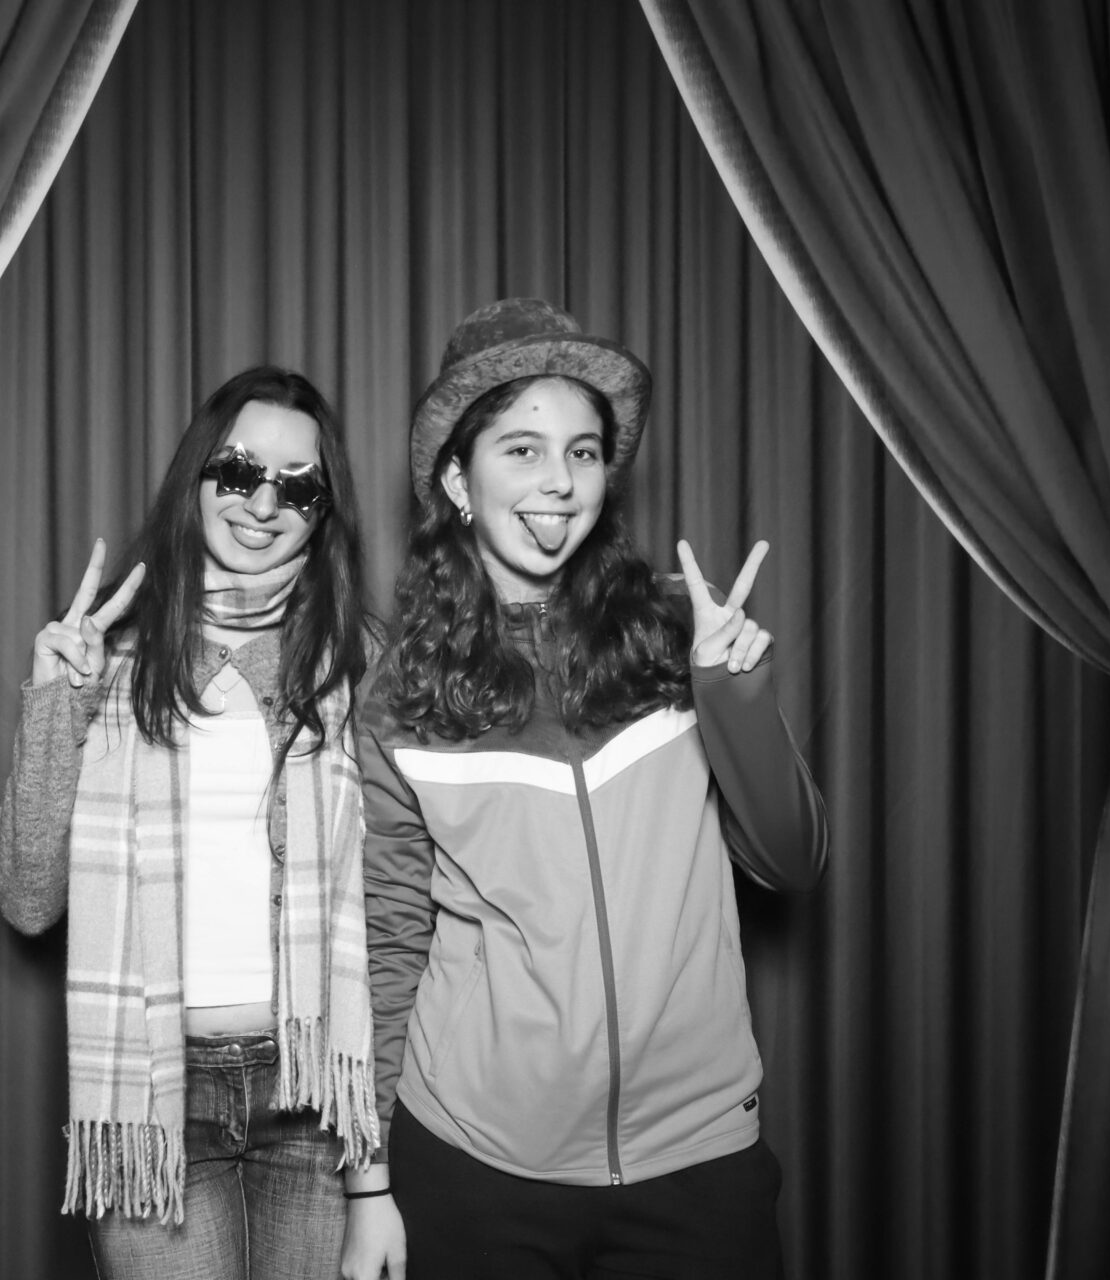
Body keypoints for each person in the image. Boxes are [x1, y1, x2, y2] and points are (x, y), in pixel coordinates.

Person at [339, 300, 829, 1280]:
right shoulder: (399, 698)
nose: (559, 481)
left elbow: (792, 861)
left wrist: (731, 693)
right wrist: (368, 1185)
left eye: (584, 452)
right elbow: (387, 944)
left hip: (696, 1160)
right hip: (476, 1164)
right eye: (521, 450)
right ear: (458, 481)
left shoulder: (679, 638)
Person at [0, 366, 381, 1280]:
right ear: (196, 477)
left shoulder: (357, 662)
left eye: (297, 486)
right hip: (155, 1094)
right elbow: (28, 900)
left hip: (314, 1096)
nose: (262, 504)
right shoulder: (112, 657)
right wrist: (54, 704)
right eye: (238, 471)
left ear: (323, 513)